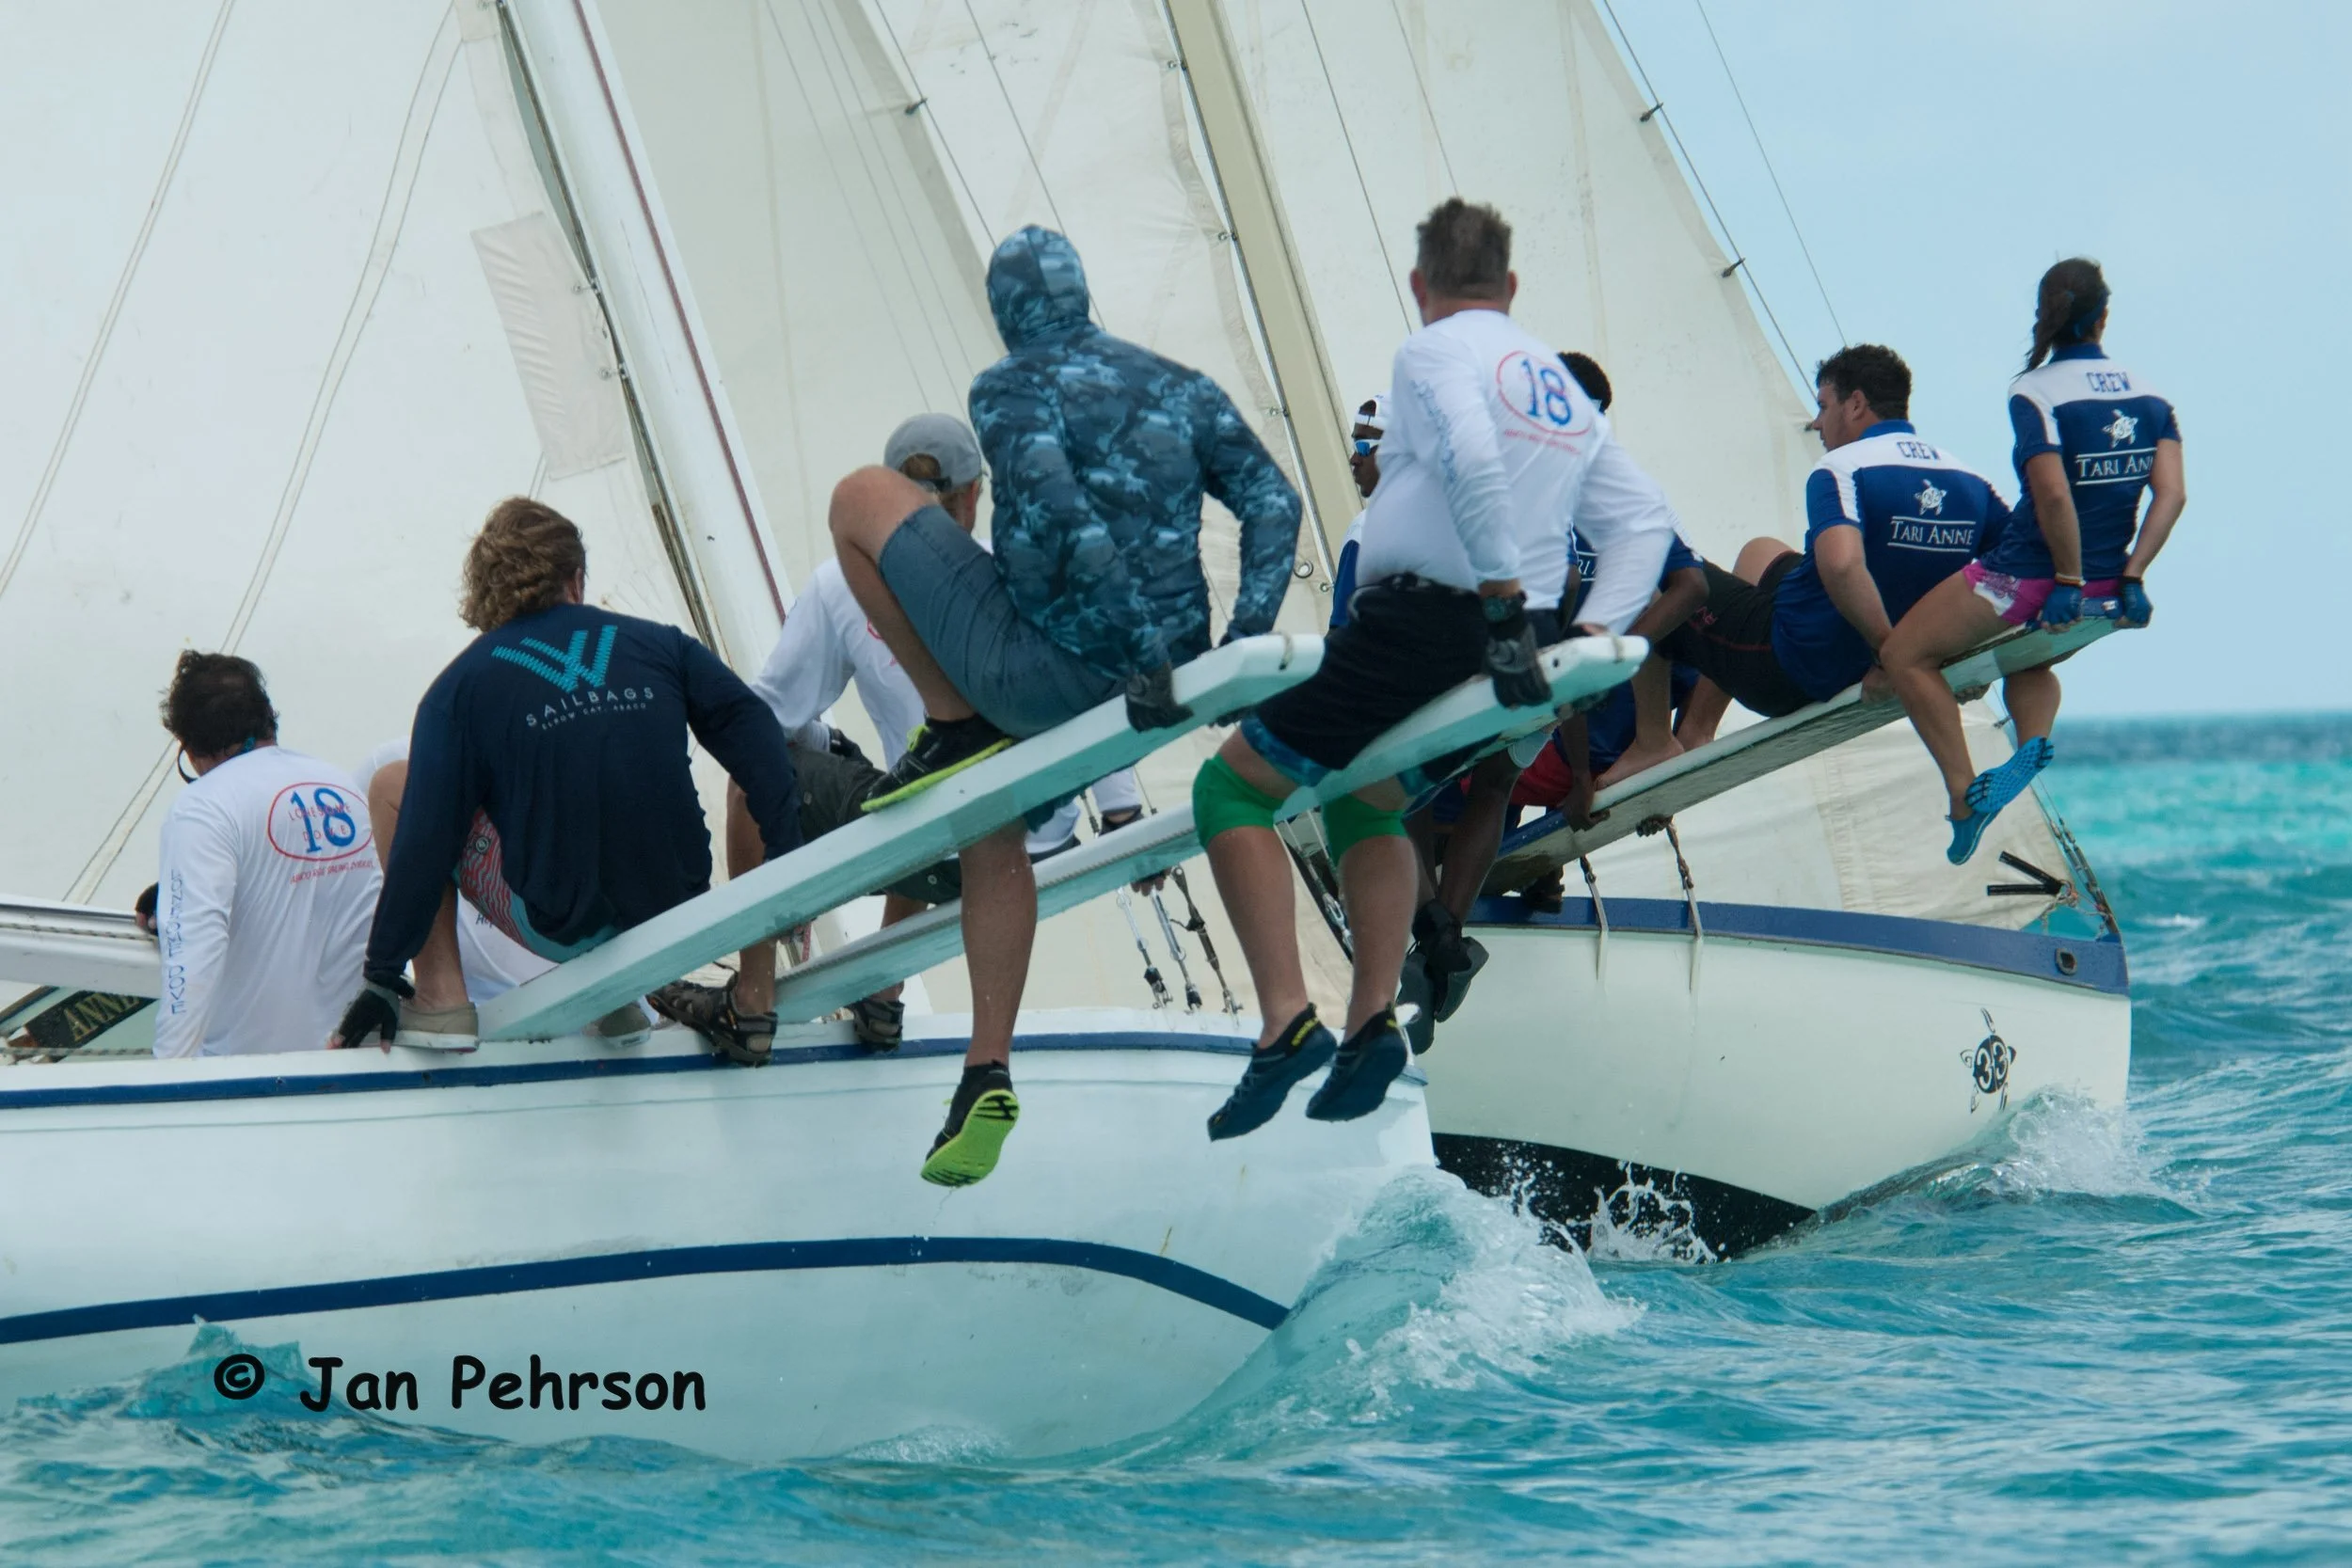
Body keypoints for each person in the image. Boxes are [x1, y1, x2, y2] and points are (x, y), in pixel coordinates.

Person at [822, 226, 1302, 1186]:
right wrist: (1239, 641)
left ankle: (951, 718)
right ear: (1085, 296)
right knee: (989, 810)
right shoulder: (1180, 382)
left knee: (858, 496)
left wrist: (1131, 644)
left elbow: (1060, 509)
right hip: (1159, 668)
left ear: (1004, 313)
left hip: (1053, 669)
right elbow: (1273, 503)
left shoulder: (1006, 387)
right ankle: (982, 1071)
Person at [1194, 198, 1672, 1135]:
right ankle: (1370, 1020)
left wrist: (1495, 595)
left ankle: (1285, 1019)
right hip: (1512, 637)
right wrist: (1589, 644)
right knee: (1363, 794)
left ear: (1421, 286)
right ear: (1512, 285)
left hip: (1430, 622)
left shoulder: (1434, 352)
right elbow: (1644, 520)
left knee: (1231, 792)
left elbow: (1469, 455)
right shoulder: (1560, 390)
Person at [675, 413, 1141, 1051]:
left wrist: (805, 775)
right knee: (925, 779)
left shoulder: (842, 581)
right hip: (1032, 854)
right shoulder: (1019, 574)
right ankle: (882, 996)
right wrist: (1122, 813)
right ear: (974, 495)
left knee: (778, 776)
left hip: (935, 850)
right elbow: (1093, 693)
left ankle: (752, 997)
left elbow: (767, 721)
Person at [332, 499, 803, 1057]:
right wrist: (788, 868)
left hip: (562, 923)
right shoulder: (662, 645)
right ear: (575, 578)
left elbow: (424, 838)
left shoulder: (459, 689)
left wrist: (383, 972)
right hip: (678, 906)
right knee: (739, 763)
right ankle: (657, 997)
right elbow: (759, 735)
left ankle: (440, 999)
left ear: (485, 593)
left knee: (395, 787)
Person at [1879, 259, 2184, 863]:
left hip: (2026, 579)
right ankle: (2033, 741)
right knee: (2028, 659)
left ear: (2047, 316)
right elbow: (2171, 494)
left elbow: (2050, 494)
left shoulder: (2037, 391)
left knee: (1904, 656)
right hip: (2105, 590)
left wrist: (2064, 579)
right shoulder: (2151, 397)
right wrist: (2132, 575)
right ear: (2103, 316)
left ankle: (1966, 796)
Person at [1660, 344, 2008, 750]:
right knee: (1760, 552)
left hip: (1790, 670)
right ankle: (1695, 731)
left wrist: (1891, 657)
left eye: (1824, 406)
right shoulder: (1971, 480)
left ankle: (1651, 744)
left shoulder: (1841, 468)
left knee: (1657, 565)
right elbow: (2023, 569)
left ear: (1856, 404)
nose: (1817, 422)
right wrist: (1968, 656)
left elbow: (1842, 566)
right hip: (1866, 656)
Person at [151, 653, 380, 1057]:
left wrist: (165, 1083)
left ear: (189, 748)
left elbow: (192, 956)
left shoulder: (202, 807)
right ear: (269, 717)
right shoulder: (343, 787)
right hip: (361, 1062)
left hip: (257, 1082)